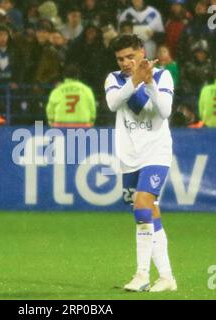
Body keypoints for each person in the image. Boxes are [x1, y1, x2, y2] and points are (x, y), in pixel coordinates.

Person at [105, 34, 176, 292]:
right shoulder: (113, 79)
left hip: (156, 152)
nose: (125, 62)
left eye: (130, 57)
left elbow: (165, 110)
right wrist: (136, 79)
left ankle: (142, 274)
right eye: (121, 58)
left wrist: (149, 83)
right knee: (150, 212)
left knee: (142, 205)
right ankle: (167, 277)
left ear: (142, 52)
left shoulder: (162, 76)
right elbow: (113, 103)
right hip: (130, 157)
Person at [46, 64, 96, 128]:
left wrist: (51, 121)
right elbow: (92, 107)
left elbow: (50, 109)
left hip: (61, 125)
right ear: (77, 75)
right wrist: (91, 121)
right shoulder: (86, 90)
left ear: (65, 76)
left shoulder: (57, 90)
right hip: (82, 125)